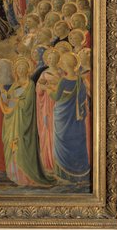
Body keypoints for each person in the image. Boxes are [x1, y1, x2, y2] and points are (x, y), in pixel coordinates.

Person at [0, 57, 52, 186]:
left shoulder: (30, 85)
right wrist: (3, 93)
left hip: (23, 122)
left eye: (23, 68)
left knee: (21, 146)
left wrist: (15, 101)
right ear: (16, 71)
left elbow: (27, 104)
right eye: (19, 68)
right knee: (12, 146)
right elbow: (8, 101)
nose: (21, 70)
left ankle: (25, 176)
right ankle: (14, 175)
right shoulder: (15, 84)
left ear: (28, 70)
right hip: (12, 121)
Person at [48, 52, 90, 182]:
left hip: (63, 118)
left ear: (66, 65)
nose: (60, 64)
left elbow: (56, 97)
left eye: (62, 62)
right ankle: (80, 174)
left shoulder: (63, 81)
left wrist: (48, 90)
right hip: (76, 120)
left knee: (63, 142)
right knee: (76, 142)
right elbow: (82, 98)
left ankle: (64, 175)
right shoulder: (80, 80)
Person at [35, 48, 61, 173]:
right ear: (46, 60)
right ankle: (48, 161)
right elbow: (38, 91)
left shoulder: (62, 73)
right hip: (47, 105)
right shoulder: (44, 73)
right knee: (47, 130)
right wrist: (42, 87)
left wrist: (53, 86)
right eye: (49, 58)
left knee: (58, 131)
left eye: (54, 58)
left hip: (59, 104)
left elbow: (64, 87)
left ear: (58, 60)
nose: (51, 60)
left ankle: (58, 162)